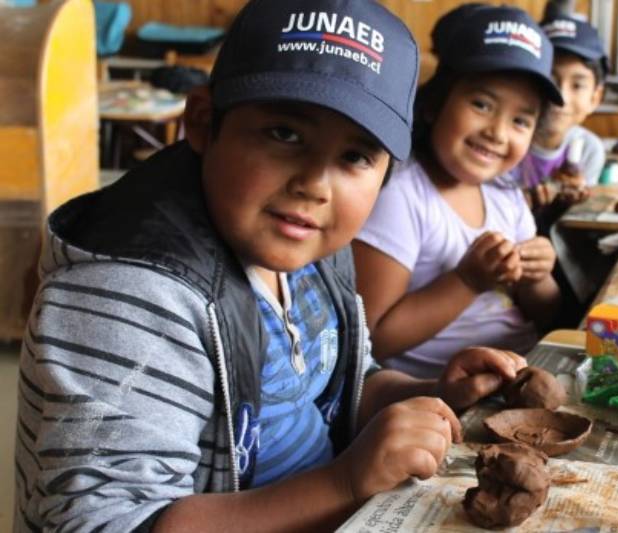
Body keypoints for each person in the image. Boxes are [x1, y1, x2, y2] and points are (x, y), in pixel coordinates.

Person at [15, 1, 527, 531]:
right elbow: (103, 523)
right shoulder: (131, 295)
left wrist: (433, 396)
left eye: (355, 156)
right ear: (203, 123)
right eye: (285, 134)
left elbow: (342, 383)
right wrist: (343, 483)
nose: (315, 185)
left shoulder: (309, 249)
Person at [353, 4, 563, 379]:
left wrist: (539, 277)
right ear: (434, 103)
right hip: (443, 391)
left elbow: (548, 315)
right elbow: (372, 339)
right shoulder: (400, 195)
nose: (497, 132)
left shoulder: (506, 195)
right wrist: (467, 281)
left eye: (520, 120)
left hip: (526, 369)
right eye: (481, 104)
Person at [513, 3, 610, 221]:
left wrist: (570, 202)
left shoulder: (589, 151)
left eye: (577, 85)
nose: (561, 99)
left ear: (595, 98)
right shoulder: (503, 142)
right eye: (550, 80)